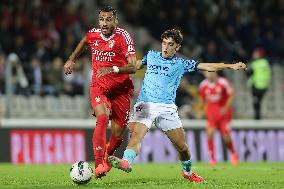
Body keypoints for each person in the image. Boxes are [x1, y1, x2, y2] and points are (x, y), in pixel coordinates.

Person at [108, 29, 246, 182]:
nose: (165, 47)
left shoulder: (181, 63)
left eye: (170, 44)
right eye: (164, 43)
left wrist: (230, 66)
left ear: (177, 47)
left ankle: (187, 172)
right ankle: (126, 162)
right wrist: (117, 69)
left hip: (167, 108)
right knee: (136, 135)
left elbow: (207, 66)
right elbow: (137, 65)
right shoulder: (152, 56)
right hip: (145, 103)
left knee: (183, 147)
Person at [63, 6, 137, 178]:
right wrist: (71, 59)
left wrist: (113, 69)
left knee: (117, 136)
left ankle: (106, 158)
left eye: (108, 19)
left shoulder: (123, 37)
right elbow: (84, 41)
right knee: (102, 117)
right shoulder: (93, 34)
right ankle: (99, 164)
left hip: (121, 91)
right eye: (102, 19)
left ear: (115, 21)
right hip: (99, 87)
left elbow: (133, 66)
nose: (104, 23)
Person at [198, 71, 238, 166]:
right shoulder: (203, 85)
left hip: (224, 114)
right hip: (211, 113)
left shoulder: (223, 82)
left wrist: (225, 107)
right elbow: (202, 99)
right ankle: (212, 158)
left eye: (212, 72)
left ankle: (233, 153)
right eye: (208, 72)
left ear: (216, 73)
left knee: (226, 136)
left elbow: (231, 95)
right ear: (205, 74)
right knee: (210, 133)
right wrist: (200, 110)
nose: (210, 74)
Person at [247, 48, 271, 119]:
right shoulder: (266, 62)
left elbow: (249, 73)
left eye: (255, 53)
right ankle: (258, 117)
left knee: (256, 102)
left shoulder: (255, 63)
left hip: (256, 85)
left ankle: (257, 118)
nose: (253, 54)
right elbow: (268, 74)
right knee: (258, 102)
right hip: (264, 85)